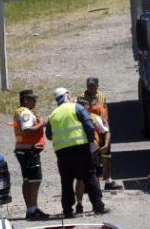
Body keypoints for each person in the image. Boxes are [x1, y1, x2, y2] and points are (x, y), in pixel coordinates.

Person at [46, 87, 108, 218]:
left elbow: (49, 135)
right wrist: (91, 142)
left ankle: (68, 210)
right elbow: (89, 125)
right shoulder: (77, 108)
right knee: (89, 177)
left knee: (66, 182)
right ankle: (98, 207)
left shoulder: (53, 115)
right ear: (67, 96)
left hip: (62, 153)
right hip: (81, 149)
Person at [13, 89, 50, 220]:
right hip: (29, 151)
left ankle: (31, 209)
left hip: (24, 150)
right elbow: (27, 130)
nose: (35, 101)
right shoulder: (25, 113)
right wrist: (41, 124)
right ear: (25, 100)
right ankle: (33, 209)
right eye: (32, 99)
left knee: (28, 180)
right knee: (35, 180)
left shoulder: (21, 111)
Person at [79, 77, 120, 190]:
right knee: (91, 158)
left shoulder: (102, 96)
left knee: (106, 156)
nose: (91, 88)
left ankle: (108, 181)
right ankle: (90, 184)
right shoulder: (82, 97)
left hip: (102, 126)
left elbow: (105, 109)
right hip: (91, 128)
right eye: (89, 86)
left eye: (93, 86)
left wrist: (106, 122)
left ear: (97, 86)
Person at [73, 97, 111, 214]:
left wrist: (105, 144)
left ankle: (93, 203)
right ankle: (83, 204)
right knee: (86, 178)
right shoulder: (78, 118)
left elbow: (106, 131)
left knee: (90, 178)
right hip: (83, 151)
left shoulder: (93, 118)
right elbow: (106, 131)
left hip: (89, 151)